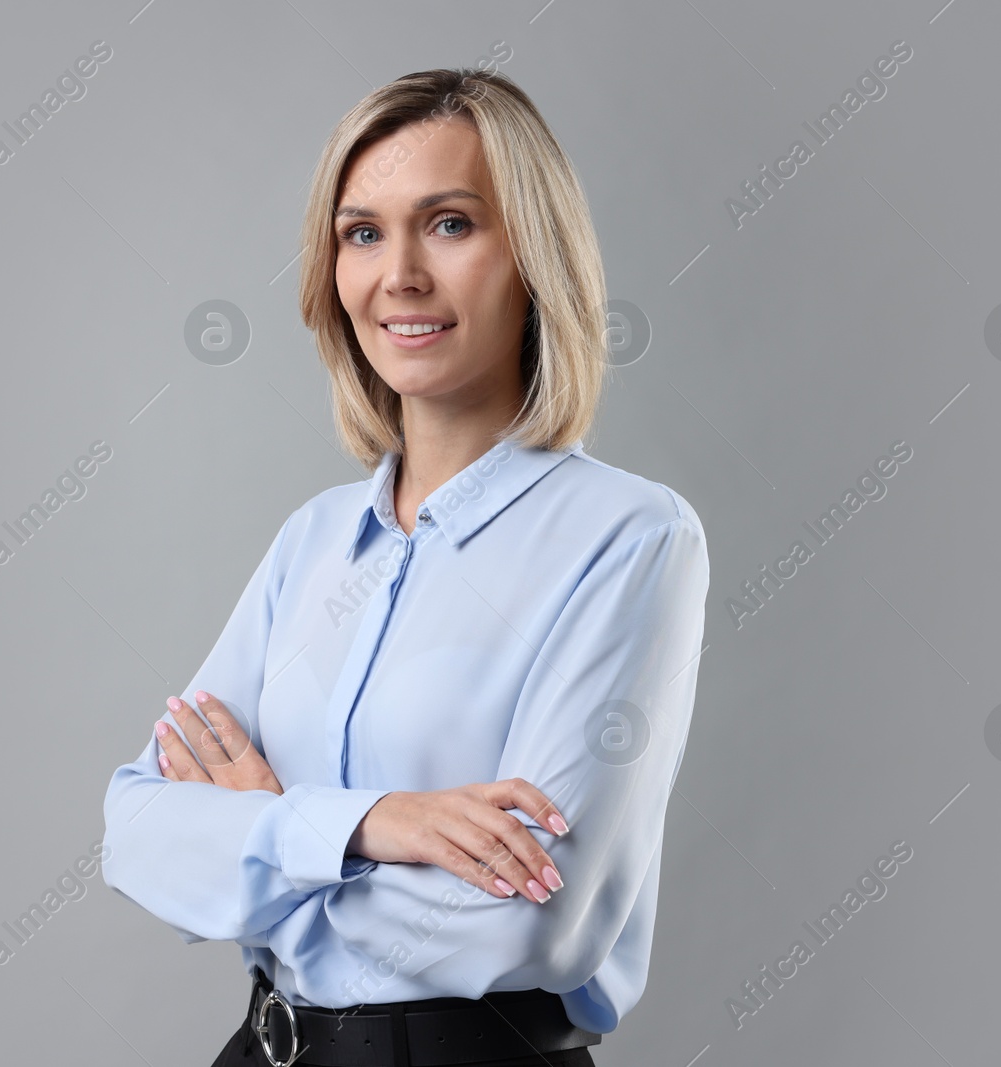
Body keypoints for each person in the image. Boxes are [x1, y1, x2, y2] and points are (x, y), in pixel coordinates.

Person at [101, 66, 710, 1067]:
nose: (400, 277)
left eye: (451, 224)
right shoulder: (312, 540)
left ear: (533, 254)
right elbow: (135, 830)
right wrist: (374, 825)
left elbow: (534, 926)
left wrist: (260, 837)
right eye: (363, 232)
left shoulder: (629, 537)